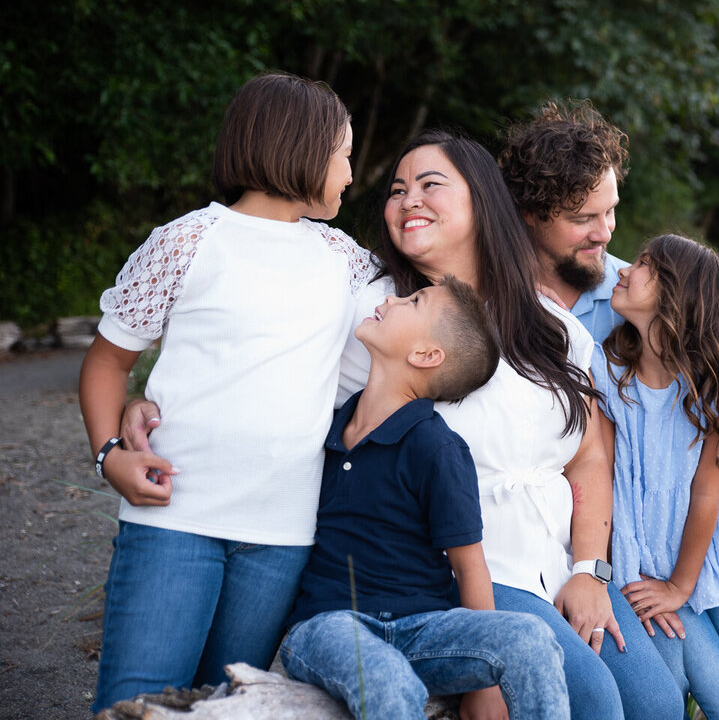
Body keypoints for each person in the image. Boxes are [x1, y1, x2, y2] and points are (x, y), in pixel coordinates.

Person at [119, 128, 681, 720]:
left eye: (430, 184)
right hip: (463, 568)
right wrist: (157, 405)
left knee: (658, 703)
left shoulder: (549, 320)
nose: (408, 199)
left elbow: (590, 452)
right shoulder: (373, 312)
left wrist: (591, 570)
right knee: (596, 702)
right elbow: (269, 382)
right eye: (396, 189)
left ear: (481, 199)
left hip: (562, 560)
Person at [499, 100, 719, 715]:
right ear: (532, 217)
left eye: (612, 210)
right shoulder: (512, 311)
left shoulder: (653, 291)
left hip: (698, 548)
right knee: (664, 669)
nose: (607, 233)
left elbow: (714, 438)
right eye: (585, 217)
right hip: (606, 552)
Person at [80, 72, 373, 712]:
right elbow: (106, 362)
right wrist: (110, 454)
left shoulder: (345, 259)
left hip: (282, 533)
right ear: (299, 147)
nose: (352, 172)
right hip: (173, 513)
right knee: (140, 703)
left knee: (225, 705)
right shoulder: (185, 241)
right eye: (345, 153)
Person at [280, 276, 569, 720]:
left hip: (423, 630)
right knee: (388, 677)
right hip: (330, 624)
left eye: (413, 301)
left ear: (425, 355)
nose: (391, 300)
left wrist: (484, 689)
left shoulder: (437, 448)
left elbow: (469, 566)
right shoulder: (330, 421)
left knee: (530, 637)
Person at [595, 233, 719, 720]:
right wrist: (653, 584)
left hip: (718, 563)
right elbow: (601, 479)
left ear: (678, 296)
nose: (622, 269)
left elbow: (707, 491)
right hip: (644, 570)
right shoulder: (605, 369)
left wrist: (681, 586)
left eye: (643, 265)